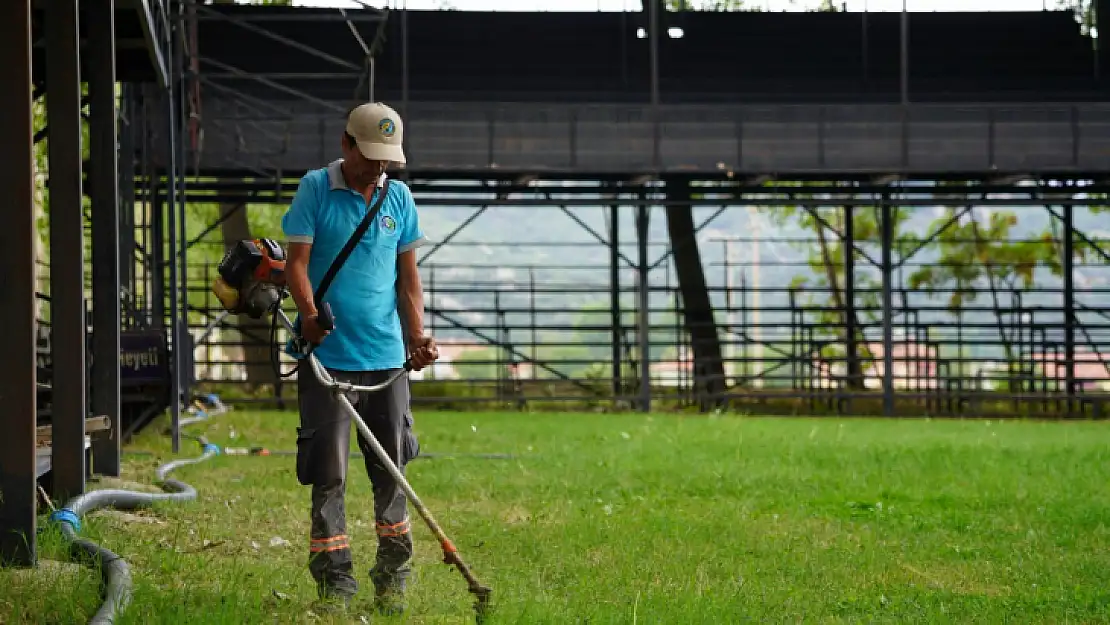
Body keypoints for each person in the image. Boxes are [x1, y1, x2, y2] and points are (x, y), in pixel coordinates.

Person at [280, 101, 439, 614]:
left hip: (386, 358)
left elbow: (407, 278)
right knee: (329, 473)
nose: (378, 168)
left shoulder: (400, 197)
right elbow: (296, 264)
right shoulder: (314, 189)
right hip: (328, 358)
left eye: (386, 159)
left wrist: (417, 335)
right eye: (369, 156)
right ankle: (335, 585)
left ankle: (393, 577)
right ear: (345, 144)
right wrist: (308, 315)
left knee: (392, 470)